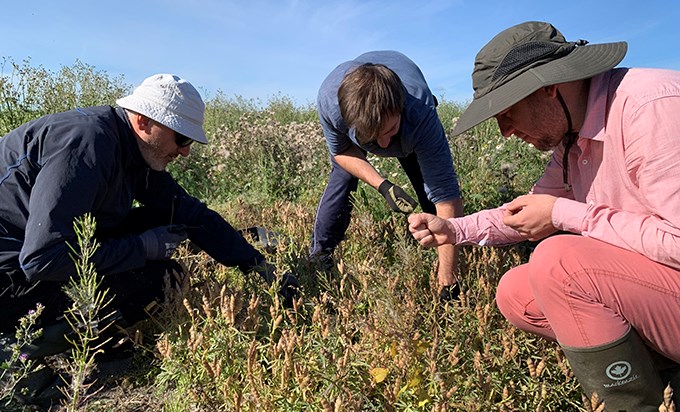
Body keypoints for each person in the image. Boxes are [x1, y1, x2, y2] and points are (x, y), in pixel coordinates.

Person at [408, 21, 680, 411]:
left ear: (548, 87)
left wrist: (567, 215)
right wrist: (452, 228)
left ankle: (633, 406)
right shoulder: (574, 134)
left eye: (507, 111)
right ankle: (659, 379)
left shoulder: (650, 108)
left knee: (559, 262)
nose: (504, 131)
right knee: (516, 292)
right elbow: (527, 209)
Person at [0, 74, 298, 350]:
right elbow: (43, 259)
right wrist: (141, 248)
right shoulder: (86, 147)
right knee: (159, 279)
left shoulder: (131, 146)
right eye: (182, 138)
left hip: (37, 253)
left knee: (169, 220)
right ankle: (19, 350)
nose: (185, 151)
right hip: (10, 280)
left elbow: (188, 213)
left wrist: (258, 267)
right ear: (143, 122)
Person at [311, 50, 464, 299]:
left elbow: (447, 198)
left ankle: (447, 259)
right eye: (371, 138)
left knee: (432, 199)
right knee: (342, 178)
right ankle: (319, 258)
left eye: (390, 130)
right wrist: (382, 185)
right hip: (361, 117)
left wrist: (448, 280)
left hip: (411, 127)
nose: (384, 146)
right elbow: (341, 152)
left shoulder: (420, 115)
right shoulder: (331, 103)